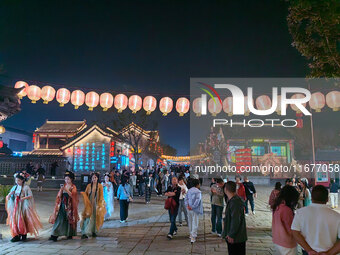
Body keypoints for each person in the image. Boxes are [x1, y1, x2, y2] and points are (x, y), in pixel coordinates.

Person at [291, 185, 340, 255]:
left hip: (307, 252)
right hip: (329, 251)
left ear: (311, 198)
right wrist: (329, 253)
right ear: (327, 199)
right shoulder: (337, 216)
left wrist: (309, 250)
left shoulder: (300, 212)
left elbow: (295, 232)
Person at [6, 172, 42, 242]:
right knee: (15, 220)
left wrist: (23, 198)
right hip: (16, 206)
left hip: (22, 206)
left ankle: (23, 234)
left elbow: (30, 195)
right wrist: (10, 194)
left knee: (23, 219)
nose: (17, 182)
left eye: (19, 180)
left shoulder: (26, 187)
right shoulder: (15, 187)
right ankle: (16, 235)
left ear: (22, 180)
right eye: (16, 180)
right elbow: (9, 196)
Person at [49, 171, 79, 241]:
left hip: (70, 206)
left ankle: (69, 233)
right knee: (59, 219)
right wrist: (61, 191)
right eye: (65, 179)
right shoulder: (64, 186)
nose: (66, 181)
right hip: (62, 204)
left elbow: (73, 195)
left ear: (71, 179)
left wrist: (66, 190)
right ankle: (54, 234)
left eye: (68, 179)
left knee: (69, 219)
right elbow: (59, 195)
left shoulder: (73, 187)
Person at [271, 185, 300, 255]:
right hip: (287, 243)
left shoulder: (277, 206)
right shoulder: (286, 210)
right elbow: (292, 228)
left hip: (278, 240)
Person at [222, 181, 247, 255]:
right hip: (234, 236)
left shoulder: (235, 202)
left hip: (236, 238)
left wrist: (231, 234)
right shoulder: (232, 200)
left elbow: (236, 220)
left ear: (226, 190)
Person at [80, 172, 106, 239]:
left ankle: (94, 231)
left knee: (95, 218)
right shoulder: (89, 186)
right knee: (87, 217)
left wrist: (100, 204)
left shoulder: (100, 186)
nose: (94, 179)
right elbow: (86, 194)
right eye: (93, 178)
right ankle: (84, 232)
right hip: (89, 204)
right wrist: (83, 195)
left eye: (95, 177)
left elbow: (101, 196)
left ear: (97, 178)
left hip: (96, 205)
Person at [185, 178, 203, 243]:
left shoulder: (189, 190)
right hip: (195, 209)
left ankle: (190, 233)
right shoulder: (198, 192)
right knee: (195, 222)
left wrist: (188, 206)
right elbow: (197, 201)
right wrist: (192, 207)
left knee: (190, 221)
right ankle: (193, 236)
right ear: (197, 184)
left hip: (188, 208)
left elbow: (186, 198)